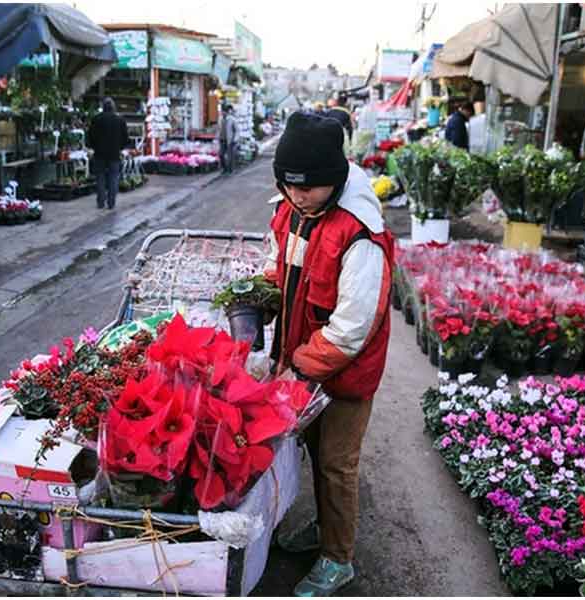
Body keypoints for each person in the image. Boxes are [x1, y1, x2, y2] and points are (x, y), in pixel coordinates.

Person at [265, 112, 394, 597]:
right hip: (306, 362)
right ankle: (324, 530)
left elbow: (351, 330)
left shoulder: (360, 234)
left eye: (307, 187)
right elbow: (279, 267)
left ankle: (339, 559)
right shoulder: (295, 209)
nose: (296, 195)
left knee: (337, 463)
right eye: (288, 185)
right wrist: (259, 297)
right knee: (315, 453)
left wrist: (299, 368)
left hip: (343, 375)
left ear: (334, 180)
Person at [87, 97, 128, 210]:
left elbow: (90, 136)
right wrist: (120, 148)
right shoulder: (120, 120)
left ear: (103, 107)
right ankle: (111, 202)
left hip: (99, 153)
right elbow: (125, 138)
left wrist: (93, 148)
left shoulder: (96, 119)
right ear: (113, 107)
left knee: (100, 177)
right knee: (113, 177)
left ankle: (101, 201)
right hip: (114, 153)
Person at [218, 104, 238, 174]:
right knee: (221, 154)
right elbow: (219, 129)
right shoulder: (220, 119)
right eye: (222, 111)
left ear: (227, 112)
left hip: (230, 140)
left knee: (230, 156)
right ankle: (225, 168)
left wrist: (234, 139)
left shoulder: (232, 119)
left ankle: (230, 170)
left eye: (224, 111)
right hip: (222, 139)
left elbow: (236, 130)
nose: (222, 113)